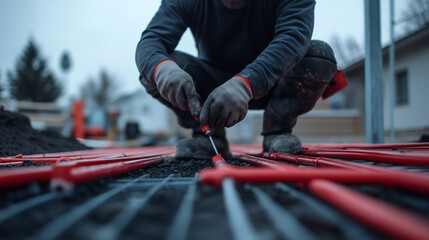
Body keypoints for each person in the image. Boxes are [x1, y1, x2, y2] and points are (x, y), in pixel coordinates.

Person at [136, 0, 341, 159]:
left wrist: (246, 84)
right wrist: (164, 71)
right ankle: (207, 133)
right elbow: (152, 41)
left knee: (318, 56)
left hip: (276, 81)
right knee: (155, 68)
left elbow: (293, 37)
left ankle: (278, 130)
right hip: (209, 87)